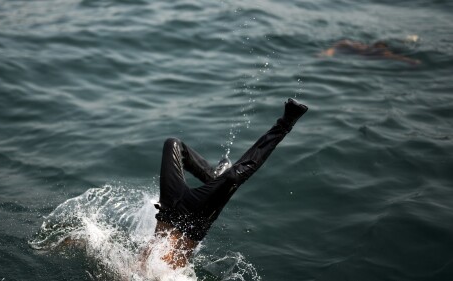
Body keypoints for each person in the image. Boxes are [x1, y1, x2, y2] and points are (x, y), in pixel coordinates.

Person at [145, 98, 308, 269]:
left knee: (173, 144)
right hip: (195, 220)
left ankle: (212, 176)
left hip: (168, 210)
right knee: (234, 177)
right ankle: (285, 124)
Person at [320, 39, 421, 65]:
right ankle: (408, 40)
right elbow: (343, 42)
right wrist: (330, 51)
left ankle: (408, 40)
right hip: (371, 50)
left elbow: (396, 57)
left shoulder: (382, 53)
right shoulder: (360, 48)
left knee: (401, 48)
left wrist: (410, 61)